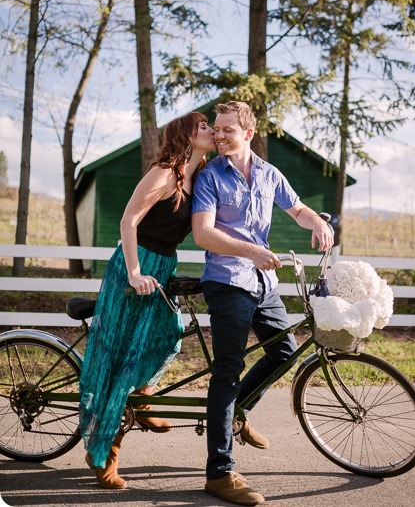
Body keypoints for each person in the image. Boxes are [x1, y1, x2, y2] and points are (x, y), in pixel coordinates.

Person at [192, 101, 333, 506]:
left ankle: (236, 412)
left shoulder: (269, 174)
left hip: (263, 282)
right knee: (227, 371)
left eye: (227, 130)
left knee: (284, 352)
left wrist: (319, 223)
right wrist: (251, 251)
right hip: (226, 281)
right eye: (216, 129)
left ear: (248, 134)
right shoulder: (210, 176)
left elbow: (298, 208)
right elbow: (202, 234)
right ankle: (219, 472)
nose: (219, 135)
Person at [79, 111, 215, 490]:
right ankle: (102, 452)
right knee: (122, 357)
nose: (210, 131)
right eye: (203, 126)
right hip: (134, 266)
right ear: (186, 136)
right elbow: (128, 221)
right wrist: (136, 272)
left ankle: (142, 399)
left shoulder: (198, 177)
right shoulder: (164, 174)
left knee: (169, 336)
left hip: (164, 267)